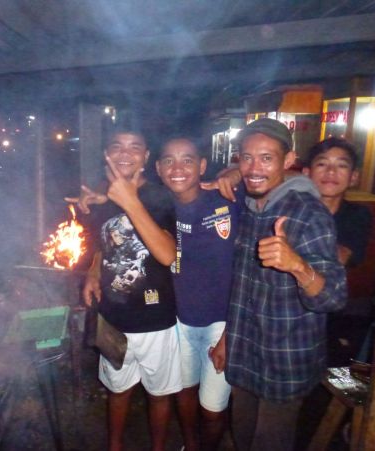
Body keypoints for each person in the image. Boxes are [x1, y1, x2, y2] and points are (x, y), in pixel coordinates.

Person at [218, 118, 347, 451]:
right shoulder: (249, 208)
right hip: (245, 354)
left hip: (284, 361)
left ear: (288, 161)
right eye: (247, 157)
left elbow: (334, 297)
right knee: (242, 436)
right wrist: (226, 339)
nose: (254, 167)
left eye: (266, 158)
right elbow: (242, 290)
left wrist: (298, 266)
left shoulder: (308, 213)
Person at [82, 128, 181, 451]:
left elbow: (168, 255)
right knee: (118, 390)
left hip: (156, 319)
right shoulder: (104, 197)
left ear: (146, 156)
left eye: (134, 147)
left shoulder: (160, 196)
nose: (125, 153)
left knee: (159, 393)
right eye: (117, 146)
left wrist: (130, 201)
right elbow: (103, 243)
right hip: (113, 319)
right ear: (106, 154)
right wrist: (93, 271)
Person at [155, 138, 240, 451]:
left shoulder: (227, 197)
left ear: (202, 165)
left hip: (222, 323)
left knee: (212, 409)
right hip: (178, 321)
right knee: (185, 392)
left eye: (187, 159)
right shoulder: (157, 207)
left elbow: (272, 175)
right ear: (158, 169)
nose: (177, 168)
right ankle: (191, 445)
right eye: (169, 160)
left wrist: (235, 172)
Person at [302, 137, 373, 366]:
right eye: (322, 163)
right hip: (290, 314)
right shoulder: (292, 210)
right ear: (306, 173)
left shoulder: (357, 215)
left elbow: (339, 258)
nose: (331, 172)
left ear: (353, 177)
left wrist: (293, 255)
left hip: (336, 316)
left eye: (341, 165)